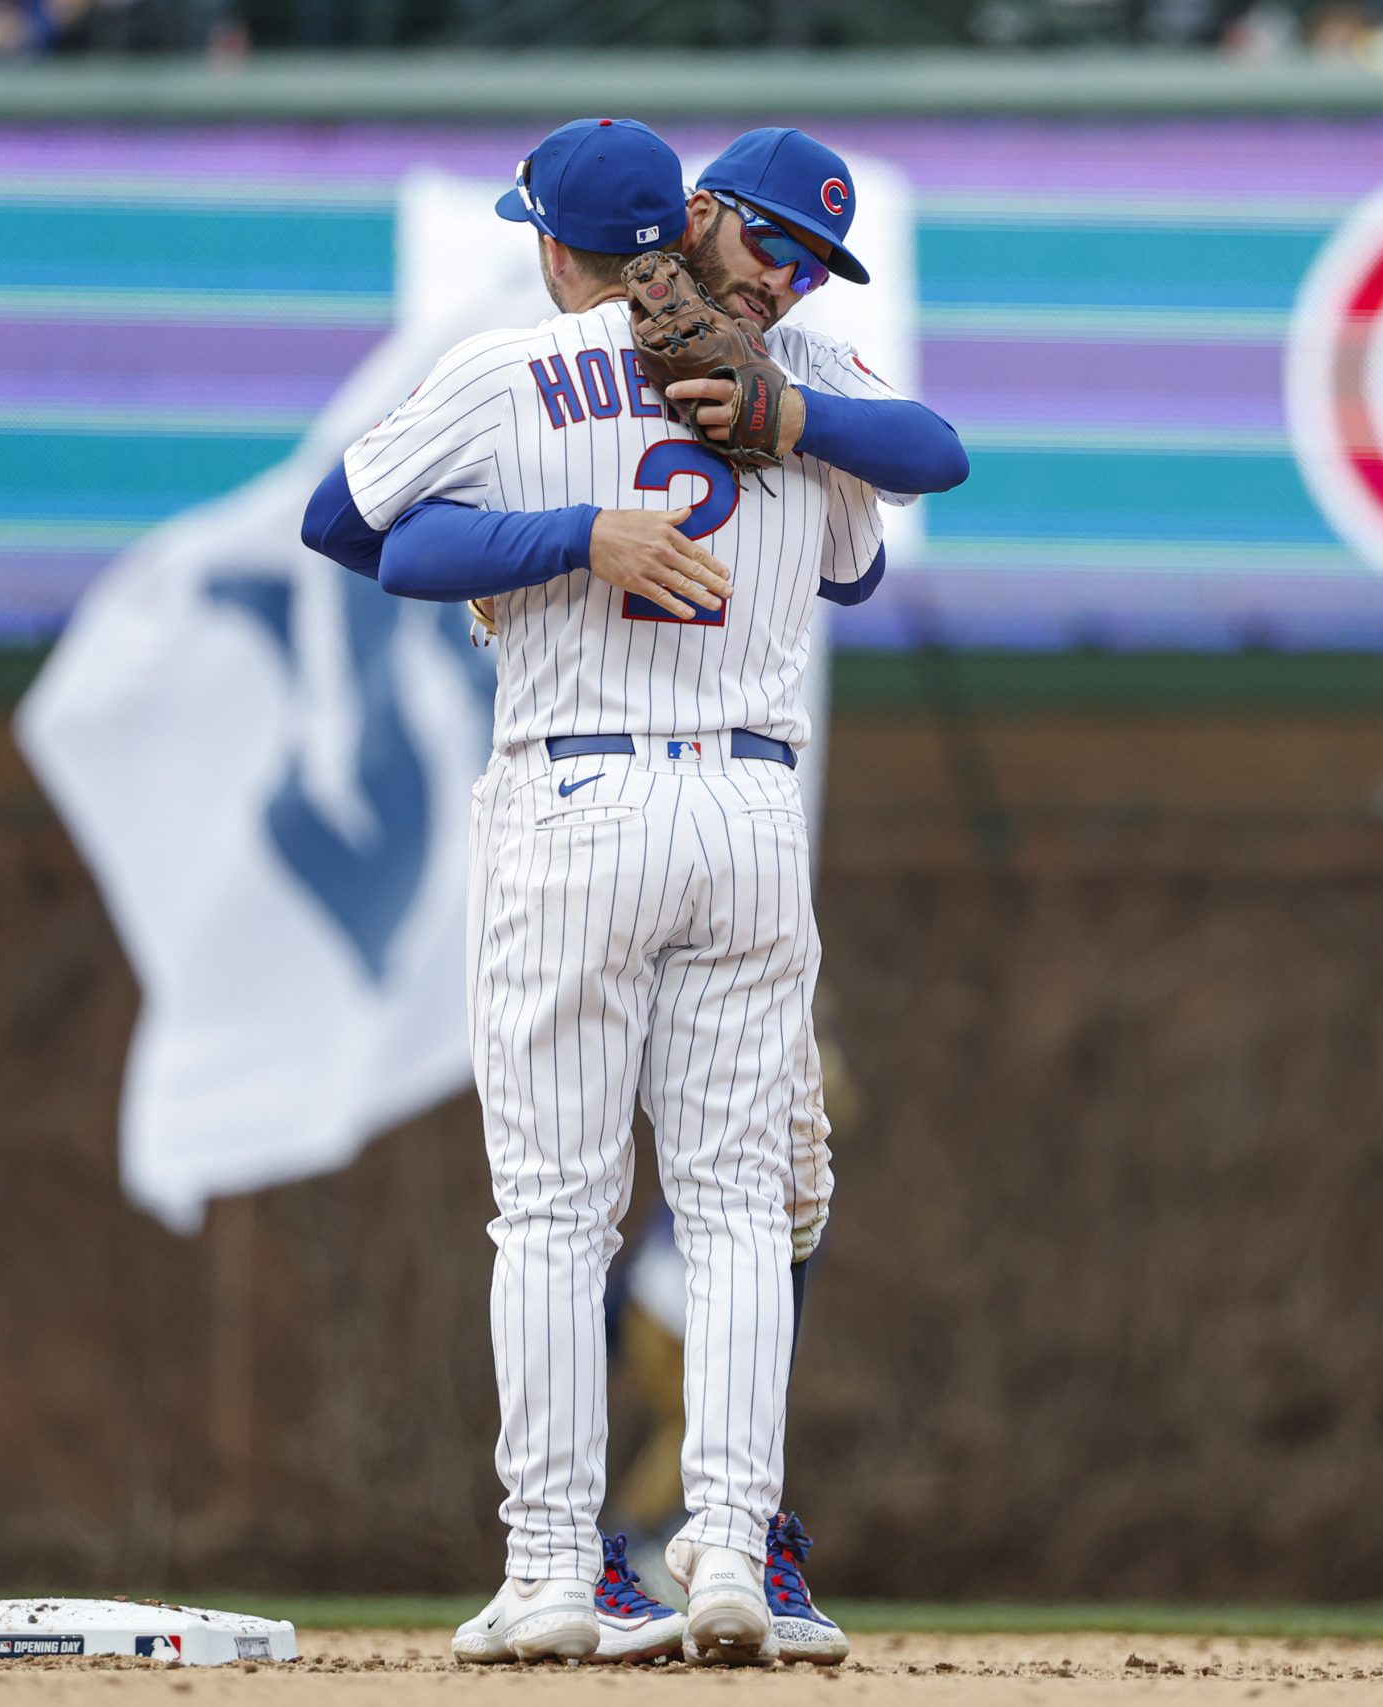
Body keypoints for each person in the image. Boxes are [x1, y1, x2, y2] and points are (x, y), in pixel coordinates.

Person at [305, 117, 962, 1666]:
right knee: (739, 1207)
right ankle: (727, 1548)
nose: (791, 279)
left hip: (575, 789)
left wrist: (574, 529)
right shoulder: (821, 399)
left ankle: (552, 1565)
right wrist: (782, 426)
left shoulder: (511, 368)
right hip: (747, 800)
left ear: (549, 243)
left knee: (552, 1205)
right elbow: (886, 526)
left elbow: (358, 530)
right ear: (690, 226)